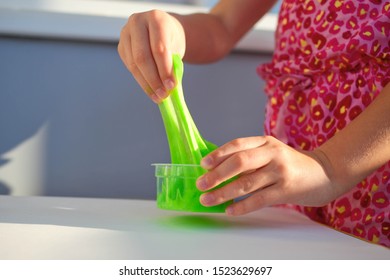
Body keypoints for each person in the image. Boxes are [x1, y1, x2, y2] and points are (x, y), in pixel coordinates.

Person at [118, 0, 390, 247]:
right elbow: (221, 26)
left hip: (376, 197)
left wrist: (327, 167)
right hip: (296, 192)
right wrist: (173, 29)